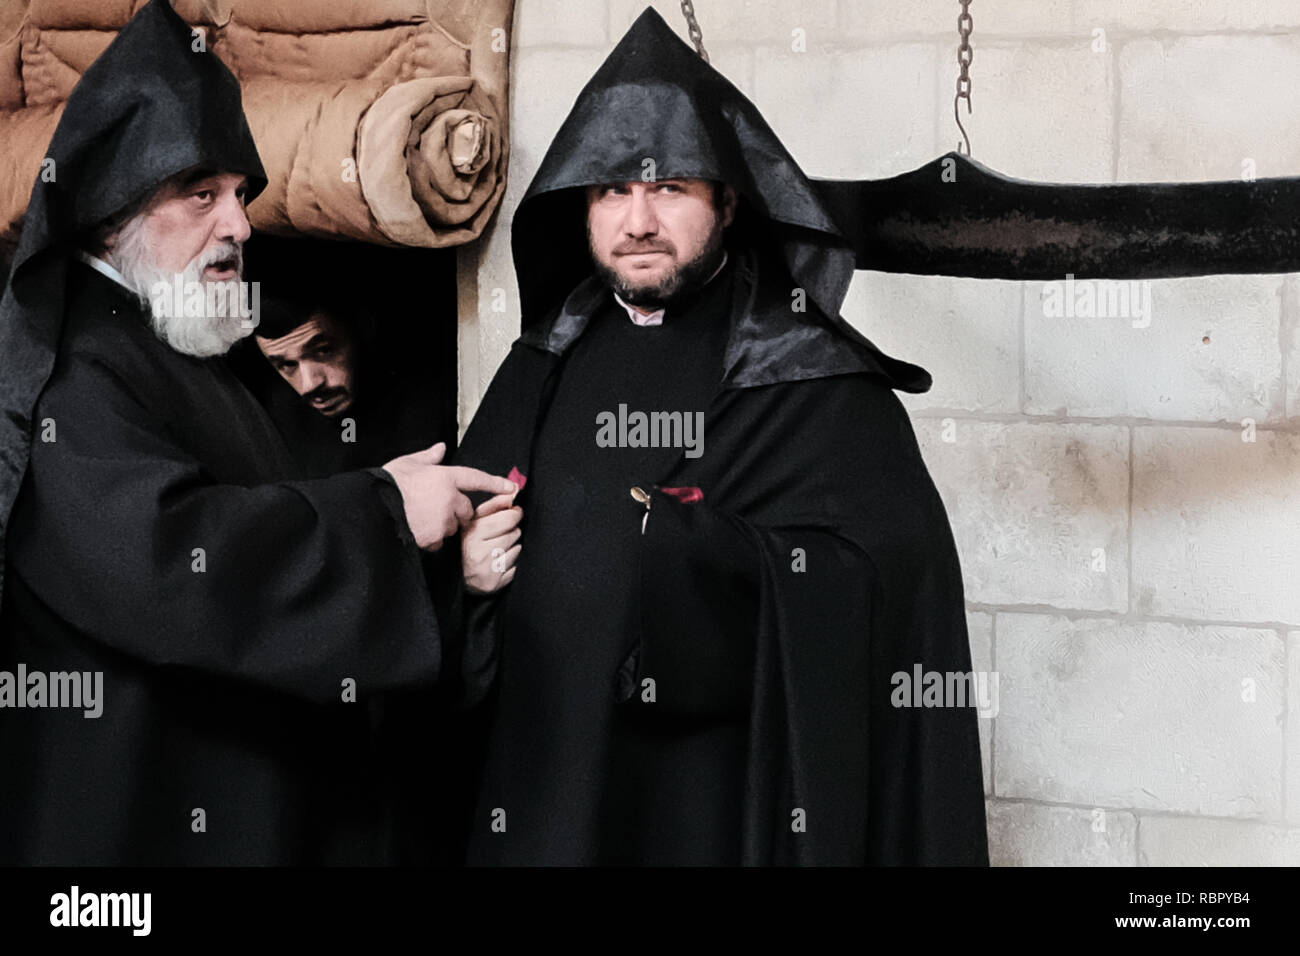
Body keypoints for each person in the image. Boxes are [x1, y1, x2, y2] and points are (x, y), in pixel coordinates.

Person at [453, 8, 989, 865]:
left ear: (728, 200)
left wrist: (691, 555)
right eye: (611, 190)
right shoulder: (540, 361)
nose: (636, 221)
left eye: (669, 188)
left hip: (711, 805)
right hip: (544, 783)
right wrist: (470, 578)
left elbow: (891, 595)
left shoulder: (809, 377)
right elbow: (452, 549)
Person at [0, 0, 515, 865]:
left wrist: (426, 546)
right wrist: (388, 515)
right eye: (200, 195)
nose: (239, 225)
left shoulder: (179, 339)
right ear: (109, 213)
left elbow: (266, 508)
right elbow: (174, 563)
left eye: (239, 194)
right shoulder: (73, 372)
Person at [248, 292, 456, 479]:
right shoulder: (275, 421)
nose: (310, 384)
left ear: (365, 327)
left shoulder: (434, 401)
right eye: (287, 365)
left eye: (323, 351)